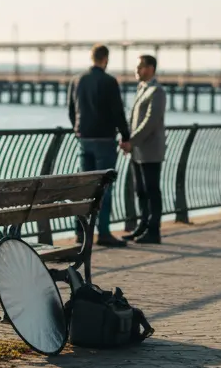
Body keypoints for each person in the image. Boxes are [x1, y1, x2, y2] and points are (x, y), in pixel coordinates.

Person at [68, 44, 132, 247]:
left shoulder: (77, 80)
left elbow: (72, 110)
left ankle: (80, 232)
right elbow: (118, 112)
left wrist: (78, 131)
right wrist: (126, 136)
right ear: (106, 59)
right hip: (105, 140)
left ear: (91, 57)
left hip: (84, 139)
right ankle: (103, 232)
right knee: (104, 188)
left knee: (85, 187)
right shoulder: (110, 81)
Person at [123, 55, 166, 244]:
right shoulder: (142, 89)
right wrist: (126, 140)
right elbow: (133, 119)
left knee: (151, 190)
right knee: (140, 190)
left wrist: (132, 141)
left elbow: (150, 122)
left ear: (150, 68)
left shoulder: (157, 91)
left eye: (140, 66)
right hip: (138, 151)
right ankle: (142, 226)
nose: (137, 70)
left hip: (150, 151)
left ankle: (154, 230)